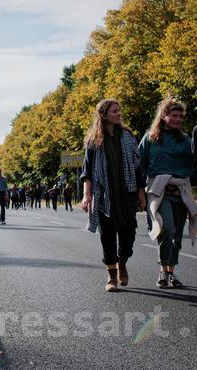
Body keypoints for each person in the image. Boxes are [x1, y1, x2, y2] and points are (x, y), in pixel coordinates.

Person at [81, 99, 146, 292]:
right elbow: (88, 171)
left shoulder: (127, 136)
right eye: (114, 111)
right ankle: (111, 275)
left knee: (128, 236)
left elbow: (137, 167)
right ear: (104, 115)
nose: (118, 114)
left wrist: (141, 194)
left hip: (127, 194)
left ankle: (122, 261)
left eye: (119, 110)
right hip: (103, 196)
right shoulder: (93, 141)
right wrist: (86, 195)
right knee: (107, 236)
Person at [139, 97, 197, 289]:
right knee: (167, 227)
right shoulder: (150, 138)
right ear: (164, 116)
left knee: (177, 235)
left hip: (180, 190)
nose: (178, 119)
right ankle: (163, 270)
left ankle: (169, 272)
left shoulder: (185, 140)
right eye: (174, 115)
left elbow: (194, 163)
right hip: (158, 191)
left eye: (181, 116)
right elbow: (140, 164)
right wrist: (140, 191)